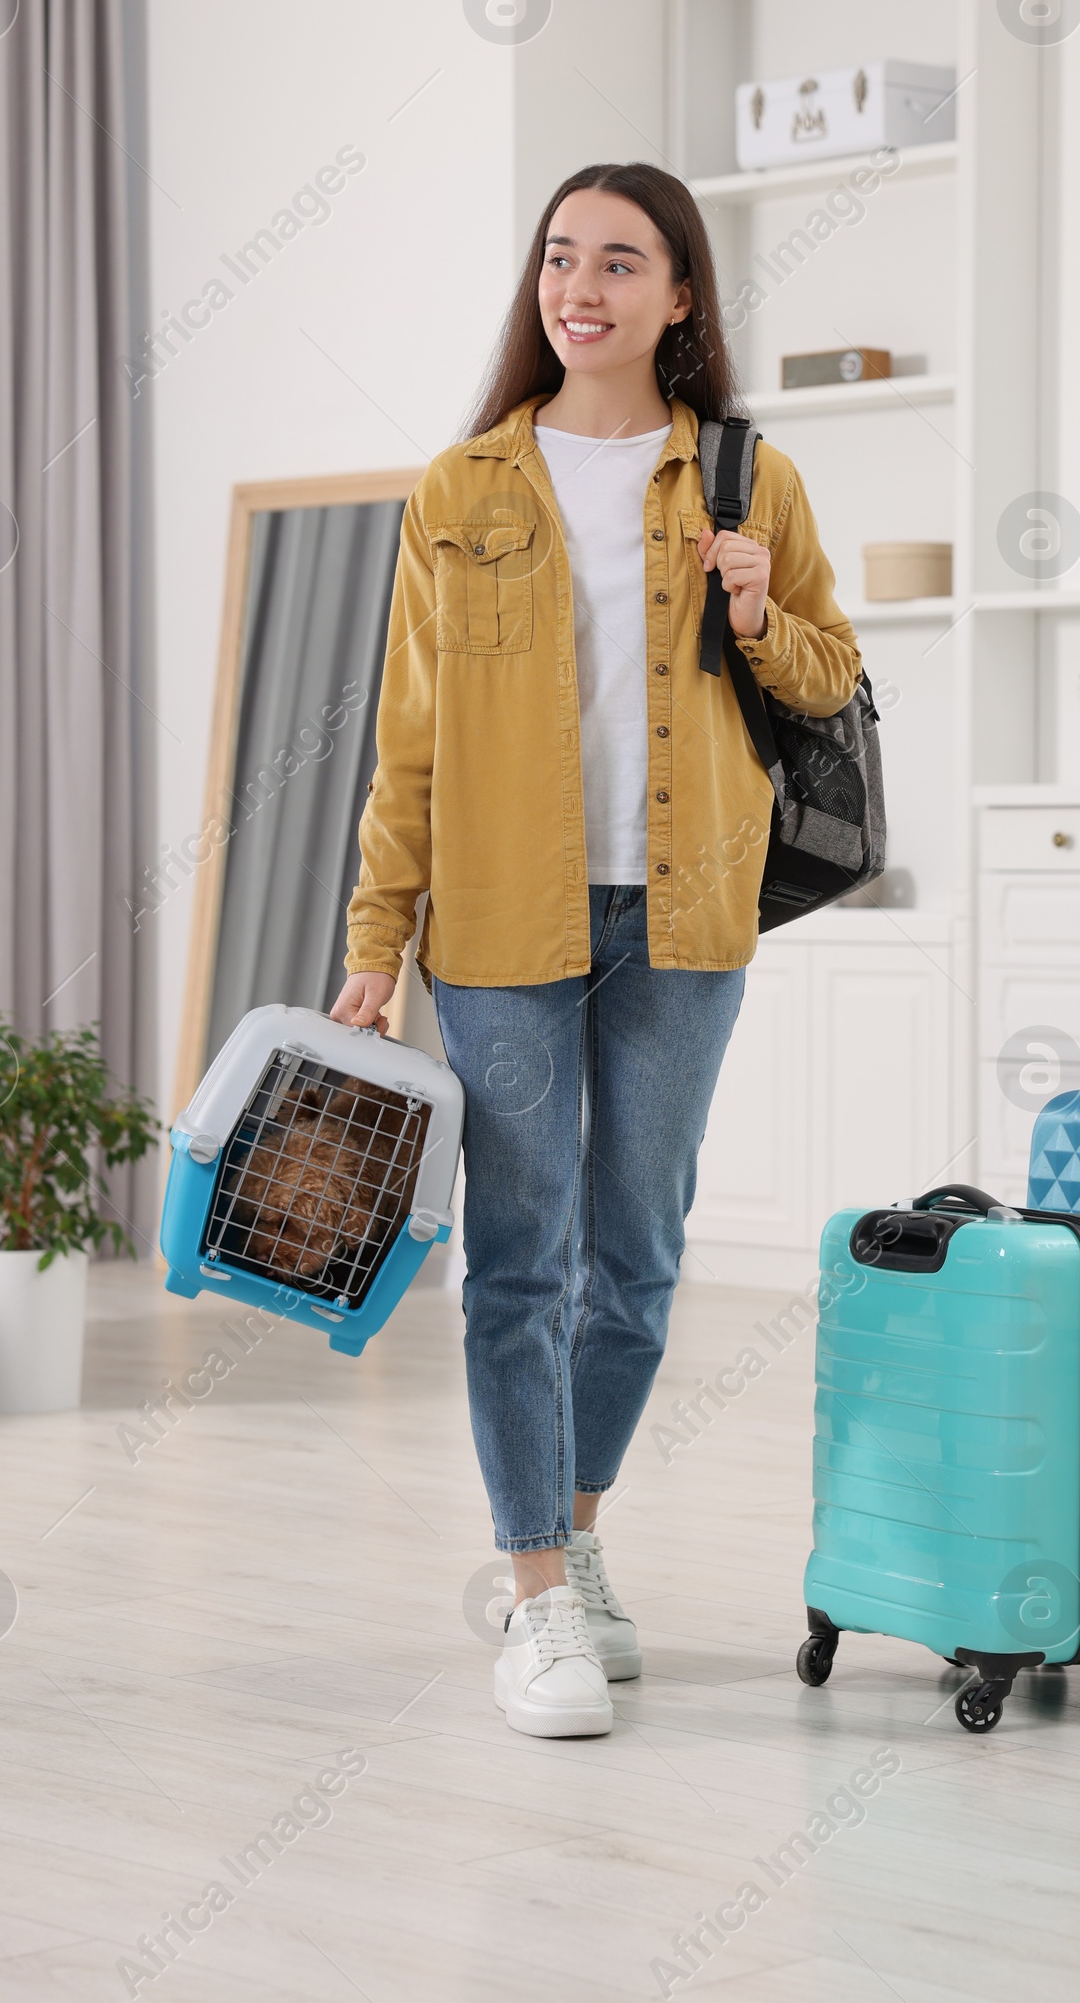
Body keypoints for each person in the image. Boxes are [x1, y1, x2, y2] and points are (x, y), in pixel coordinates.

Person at [330, 163, 860, 1738]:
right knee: (519, 1260)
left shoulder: (746, 478)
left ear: (682, 295)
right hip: (500, 919)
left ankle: (580, 1526)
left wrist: (763, 612)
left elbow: (832, 685)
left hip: (686, 913)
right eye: (562, 257)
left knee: (633, 1263)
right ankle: (541, 1595)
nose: (584, 286)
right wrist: (377, 935)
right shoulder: (463, 488)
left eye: (621, 262)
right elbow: (406, 739)